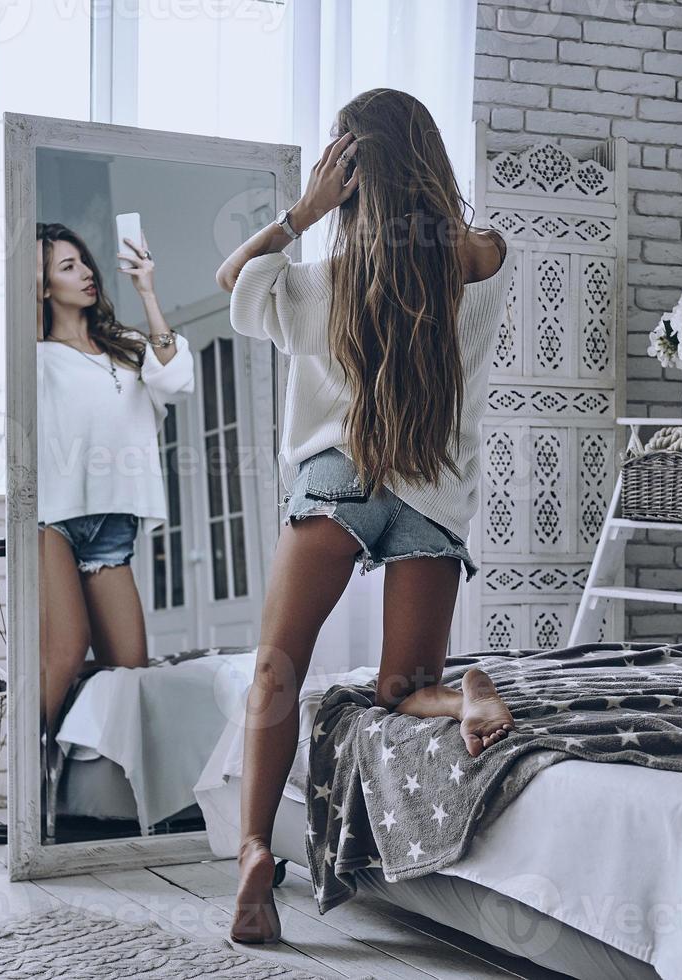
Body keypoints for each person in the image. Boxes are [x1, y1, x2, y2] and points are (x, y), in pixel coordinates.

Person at [216, 88, 516, 944]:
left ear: (351, 172)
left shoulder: (325, 280)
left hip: (337, 483)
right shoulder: (487, 256)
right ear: (429, 158)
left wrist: (303, 212)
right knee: (402, 687)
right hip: (431, 493)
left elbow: (232, 283)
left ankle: (251, 854)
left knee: (276, 673)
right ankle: (459, 697)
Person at [35, 222, 194, 742]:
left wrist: (147, 292)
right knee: (64, 649)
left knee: (129, 673)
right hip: (53, 517)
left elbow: (176, 380)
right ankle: (25, 780)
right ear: (41, 285)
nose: (85, 273)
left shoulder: (125, 344)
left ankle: (79, 776)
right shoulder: (34, 356)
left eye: (83, 261)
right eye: (67, 266)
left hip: (112, 524)